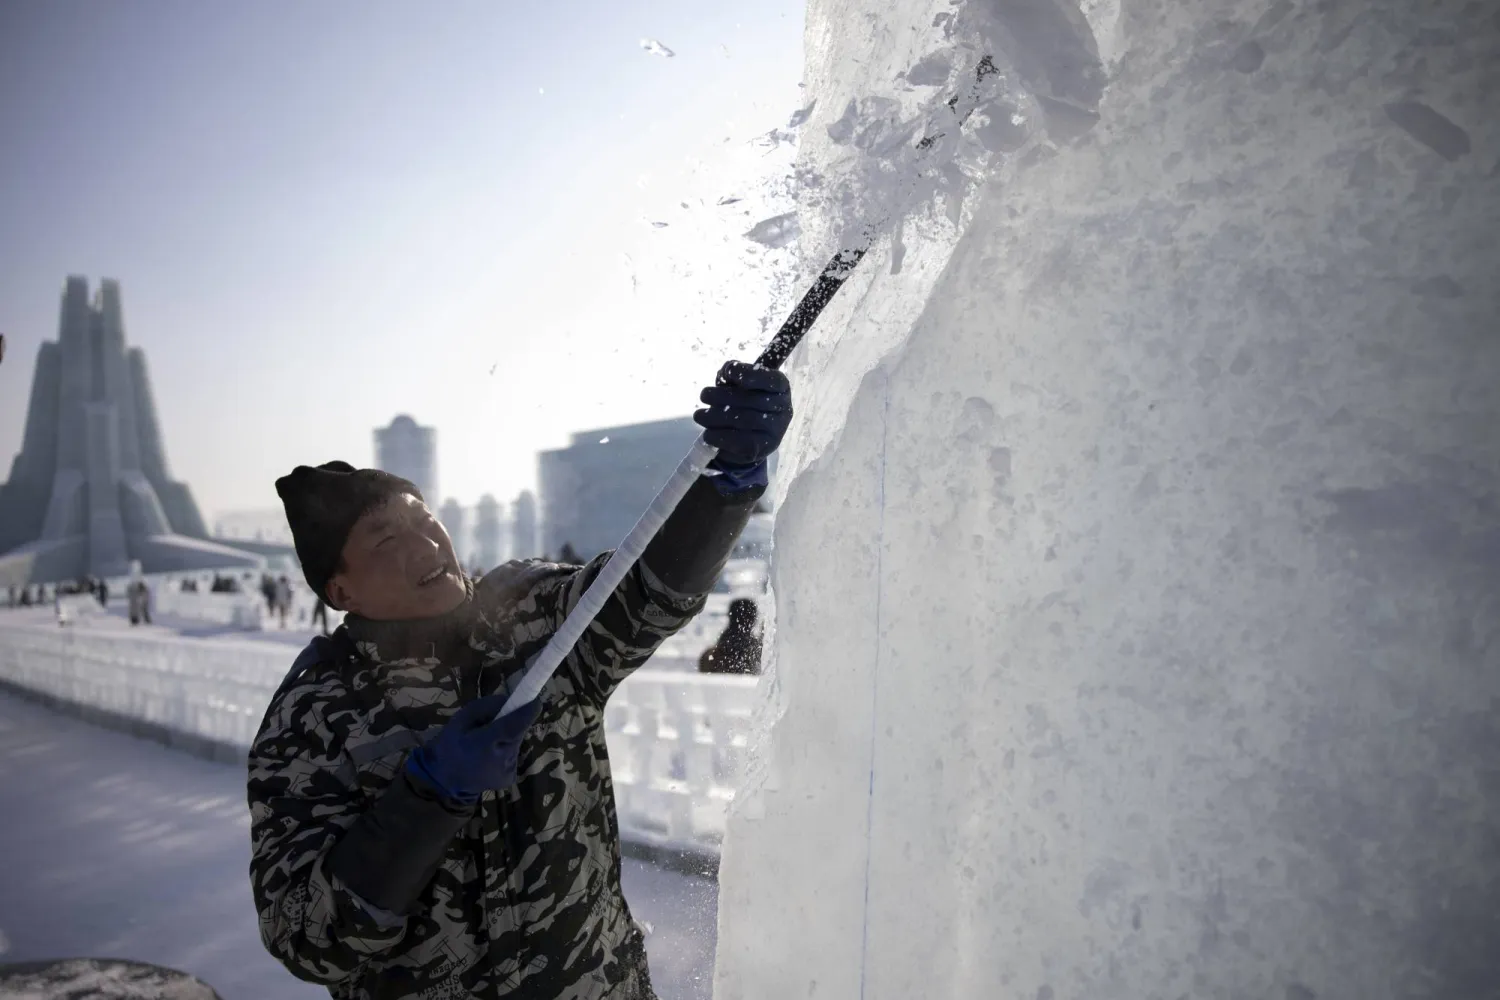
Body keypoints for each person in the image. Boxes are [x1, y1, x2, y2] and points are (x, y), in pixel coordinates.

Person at [248, 361, 790, 998]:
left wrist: (722, 488)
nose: (425, 544)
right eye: (386, 538)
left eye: (424, 518)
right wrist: (427, 798)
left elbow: (643, 595)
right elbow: (306, 939)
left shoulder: (528, 614)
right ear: (339, 589)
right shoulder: (313, 711)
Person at [698, 597, 764, 674]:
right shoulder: (752, 646)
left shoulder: (724, 641)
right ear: (751, 618)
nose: (756, 619)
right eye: (754, 616)